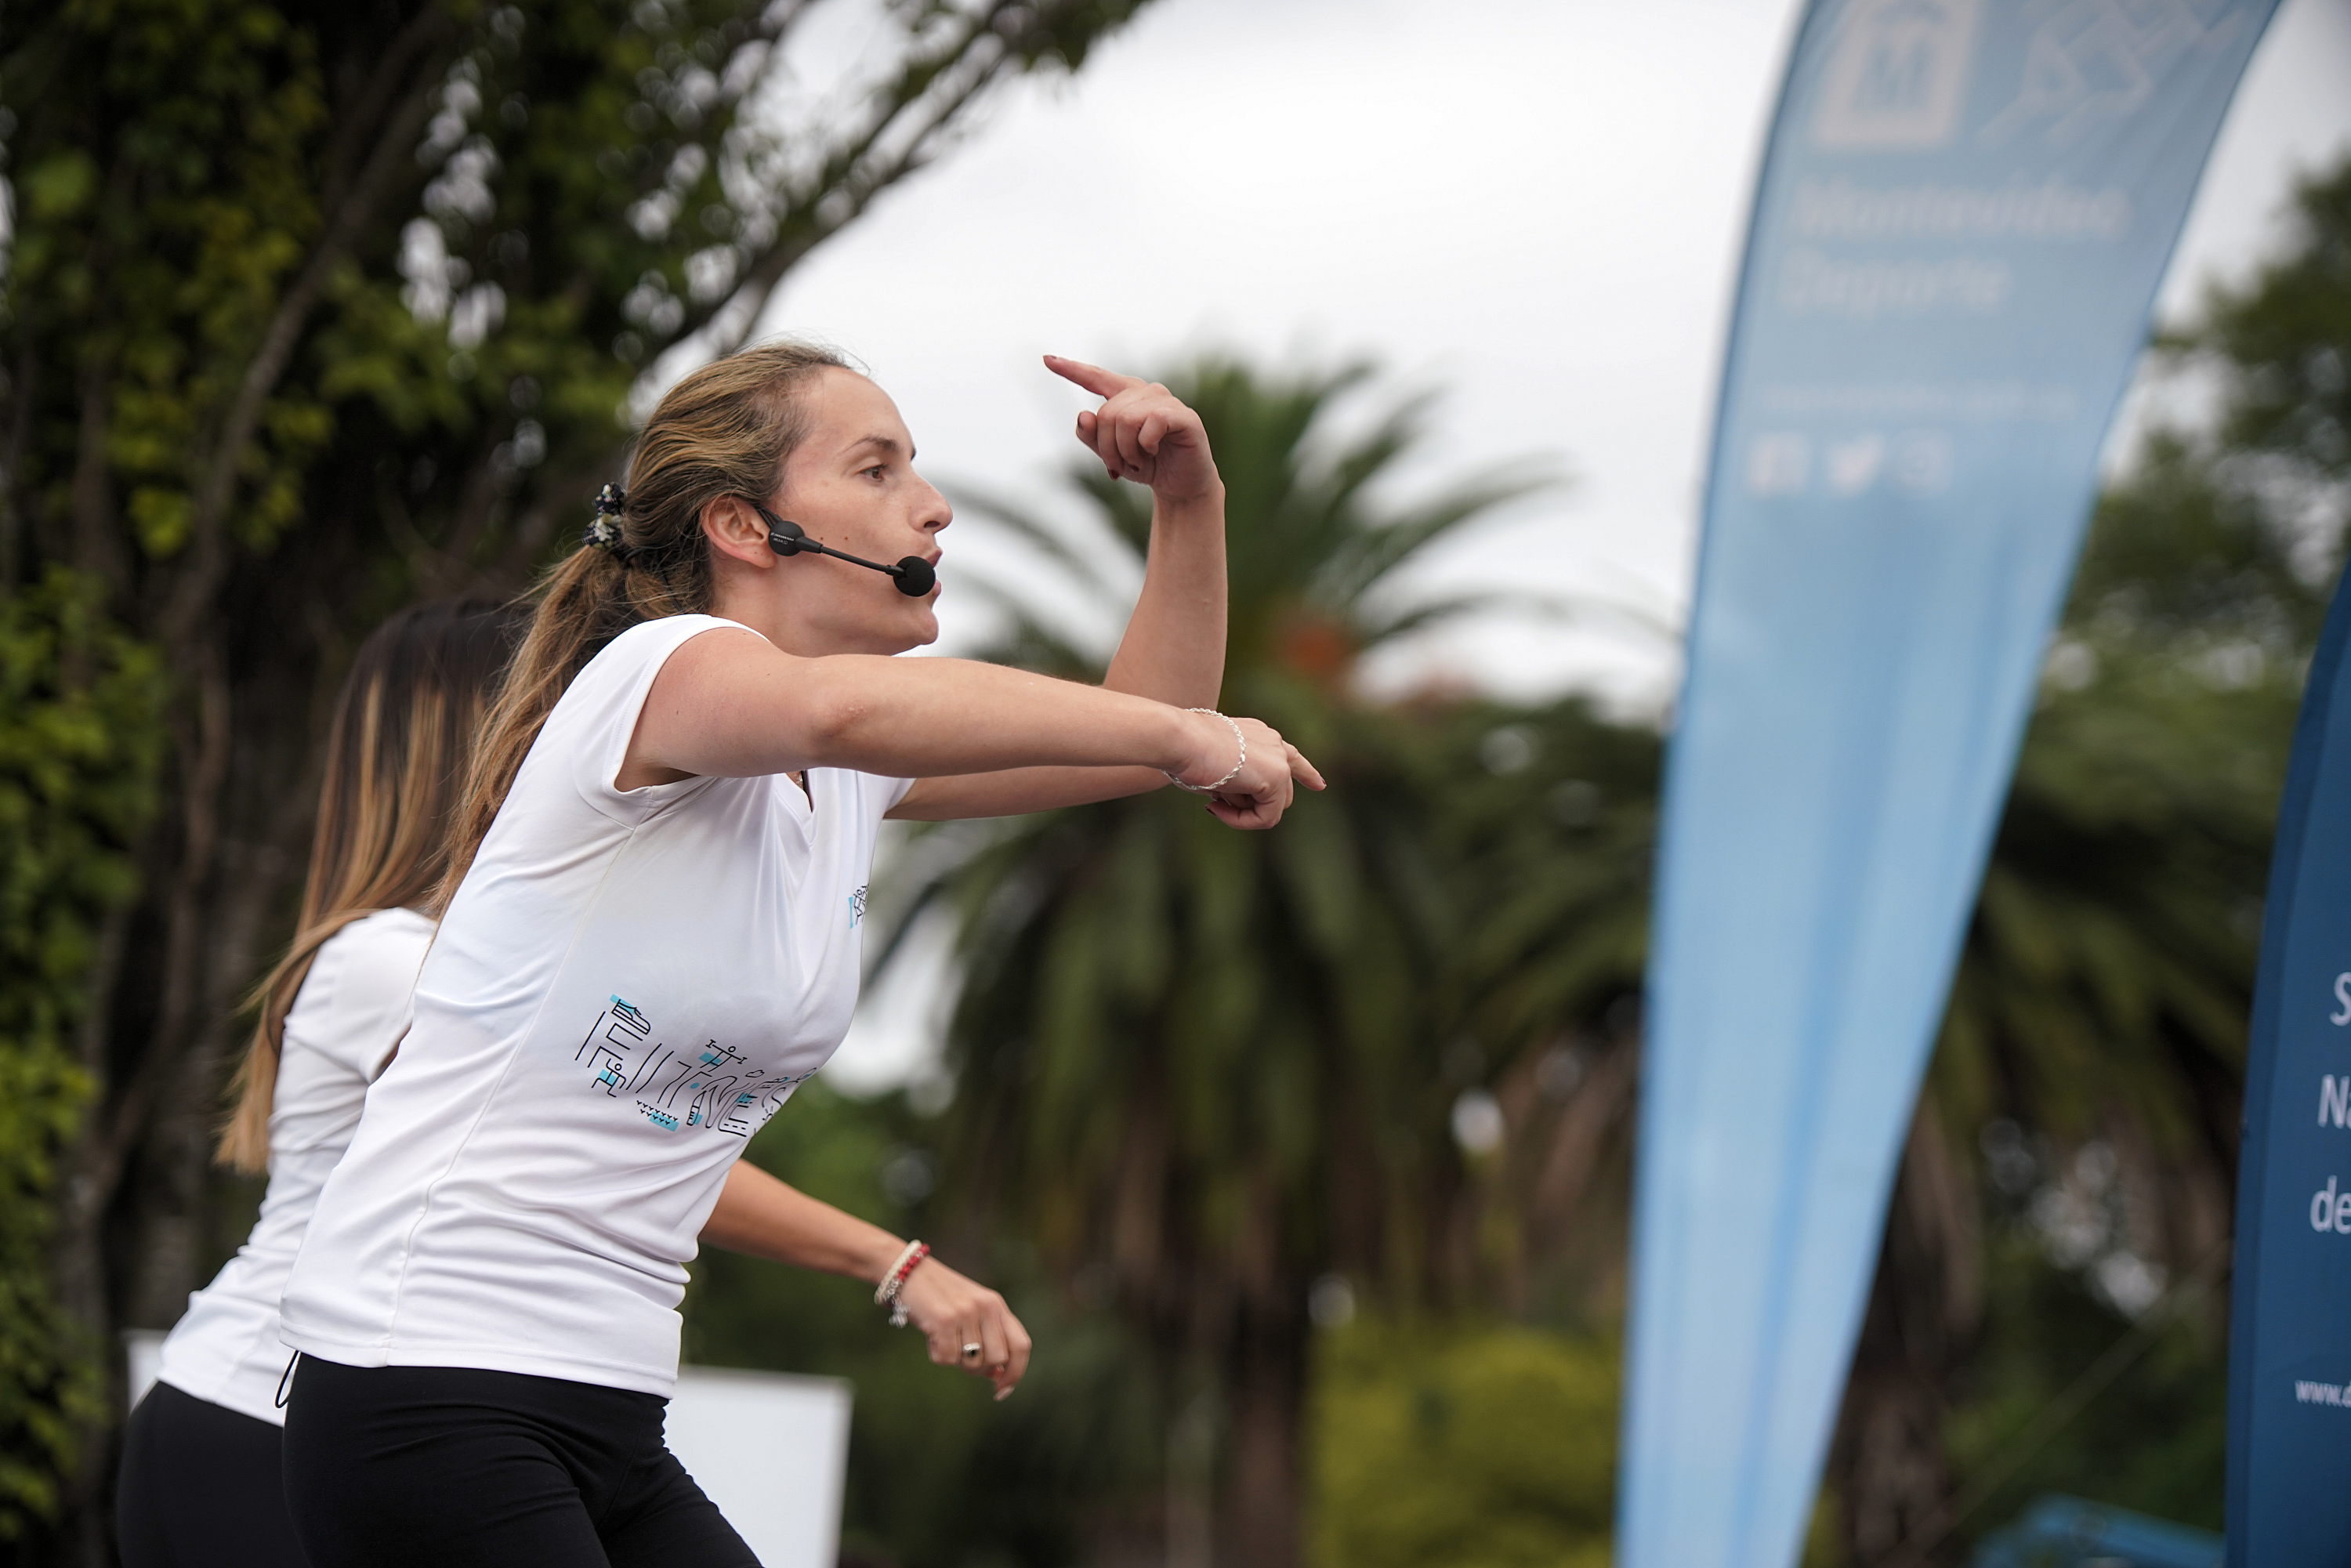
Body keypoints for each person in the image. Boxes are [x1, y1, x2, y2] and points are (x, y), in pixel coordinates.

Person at [275, 342, 1323, 1567]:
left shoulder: (848, 784)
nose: (932, 507)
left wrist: (1191, 506)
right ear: (744, 525)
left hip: (605, 1401)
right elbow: (854, 709)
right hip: (426, 1379)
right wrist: (1197, 742)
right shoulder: (656, 673)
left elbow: (1139, 737)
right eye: (877, 469)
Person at [117, 598, 523, 1567]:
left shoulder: (449, 962)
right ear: (478, 741)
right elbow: (595, 1135)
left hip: (297, 1441)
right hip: (250, 1434)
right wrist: (891, 1262)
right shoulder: (397, 961)